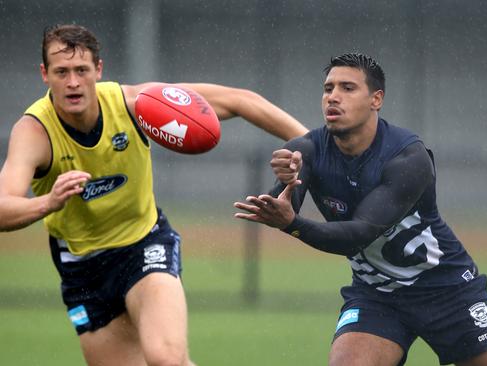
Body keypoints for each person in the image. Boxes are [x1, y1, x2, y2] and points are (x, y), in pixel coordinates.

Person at [0, 24, 308, 366]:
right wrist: (48, 202)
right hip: (81, 270)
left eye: (81, 70)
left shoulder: (135, 104)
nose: (72, 82)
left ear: (98, 70)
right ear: (45, 74)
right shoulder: (34, 132)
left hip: (144, 245)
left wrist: (315, 146)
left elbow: (240, 100)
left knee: (166, 359)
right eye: (61, 72)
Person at [234, 53, 487, 366]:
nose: (333, 96)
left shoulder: (408, 158)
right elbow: (282, 204)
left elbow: (358, 234)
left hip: (446, 289)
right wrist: (285, 186)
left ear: (376, 99)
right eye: (328, 88)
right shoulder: (306, 150)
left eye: (347, 88)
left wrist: (293, 224)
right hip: (376, 294)